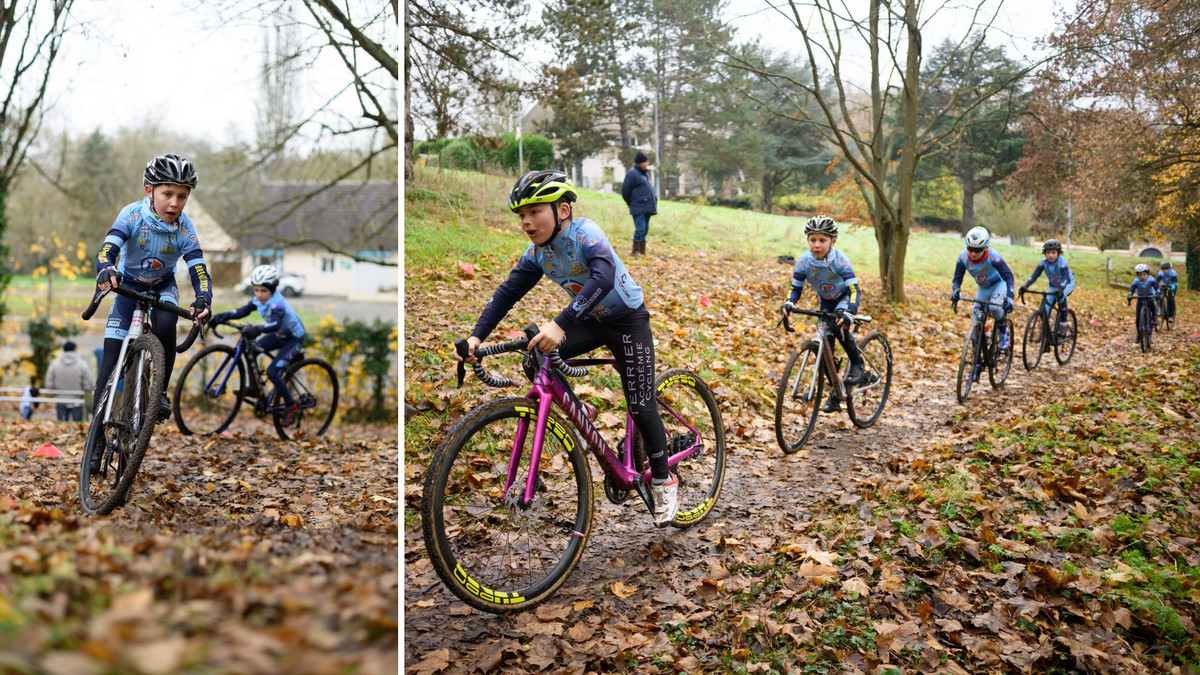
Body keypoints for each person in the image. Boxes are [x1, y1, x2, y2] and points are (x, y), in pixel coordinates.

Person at [455, 169, 678, 526]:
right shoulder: (538, 253)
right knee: (536, 353)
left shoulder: (586, 233)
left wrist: (560, 325)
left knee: (640, 402)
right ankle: (578, 411)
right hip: (591, 320)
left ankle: (665, 479)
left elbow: (603, 277)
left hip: (627, 320)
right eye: (521, 216)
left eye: (535, 212)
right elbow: (507, 293)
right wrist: (476, 336)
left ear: (561, 210)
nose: (527, 222)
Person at [92, 153, 212, 430]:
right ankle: (96, 439)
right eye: (167, 193)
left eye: (182, 196)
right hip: (128, 286)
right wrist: (105, 268)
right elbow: (107, 250)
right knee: (109, 362)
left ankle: (159, 393)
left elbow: (198, 270)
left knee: (168, 323)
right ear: (149, 190)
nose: (174, 203)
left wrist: (203, 297)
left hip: (162, 286)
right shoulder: (132, 214)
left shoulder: (185, 227)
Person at [782, 215, 866, 414]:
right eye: (813, 240)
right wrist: (789, 303)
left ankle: (857, 362)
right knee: (826, 349)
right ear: (807, 240)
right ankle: (837, 393)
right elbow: (795, 289)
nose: (817, 245)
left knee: (838, 324)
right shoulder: (804, 262)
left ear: (832, 241)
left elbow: (854, 290)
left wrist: (850, 312)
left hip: (844, 298)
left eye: (822, 240)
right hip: (826, 301)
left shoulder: (840, 261)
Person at [208, 265, 307, 427]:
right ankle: (255, 388)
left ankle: (291, 406)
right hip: (279, 336)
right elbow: (242, 311)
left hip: (293, 339)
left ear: (273, 289)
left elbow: (275, 324)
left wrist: (258, 329)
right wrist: (221, 316)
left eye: (263, 291)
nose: (259, 295)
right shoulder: (258, 299)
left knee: (272, 371)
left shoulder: (277, 304)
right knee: (250, 349)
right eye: (256, 290)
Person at [951, 226, 1016, 352]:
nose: (973, 253)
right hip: (984, 287)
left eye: (978, 250)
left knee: (995, 308)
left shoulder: (993, 257)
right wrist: (956, 290)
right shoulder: (963, 258)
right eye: (970, 249)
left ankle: (1003, 331)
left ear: (985, 247)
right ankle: (977, 367)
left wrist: (1010, 298)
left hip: (999, 284)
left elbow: (1008, 276)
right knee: (975, 326)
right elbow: (957, 278)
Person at [1019, 239, 1075, 338]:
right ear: (1045, 254)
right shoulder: (1044, 263)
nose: (1051, 255)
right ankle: (1046, 336)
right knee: (1045, 308)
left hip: (1066, 284)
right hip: (1053, 286)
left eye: (1053, 252)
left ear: (1058, 253)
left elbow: (1065, 277)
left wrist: (1062, 289)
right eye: (1048, 253)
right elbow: (1035, 275)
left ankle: (1063, 324)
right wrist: (1026, 286)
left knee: (1061, 298)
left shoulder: (1062, 262)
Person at [45, 341, 95, 422]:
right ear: (75, 349)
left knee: (61, 425)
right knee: (78, 426)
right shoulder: (82, 364)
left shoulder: (54, 364)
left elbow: (49, 384)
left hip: (61, 400)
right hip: (77, 400)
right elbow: (89, 384)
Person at [620, 151, 657, 258]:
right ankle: (635, 251)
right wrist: (630, 203)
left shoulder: (644, 174)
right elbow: (625, 190)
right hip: (638, 207)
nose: (647, 164)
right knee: (640, 229)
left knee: (645, 229)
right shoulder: (632, 174)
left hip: (647, 207)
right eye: (645, 162)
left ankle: (642, 251)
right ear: (640, 163)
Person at [1127, 263, 1159, 329]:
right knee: (1138, 318)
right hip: (1140, 298)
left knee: (1152, 304)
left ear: (1148, 274)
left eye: (1144, 274)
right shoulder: (1136, 281)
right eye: (1140, 275)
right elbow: (1132, 289)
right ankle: (1139, 334)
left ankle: (1154, 317)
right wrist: (1130, 294)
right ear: (1137, 276)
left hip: (1149, 296)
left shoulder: (1151, 279)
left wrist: (1158, 293)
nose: (1142, 276)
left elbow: (1157, 287)